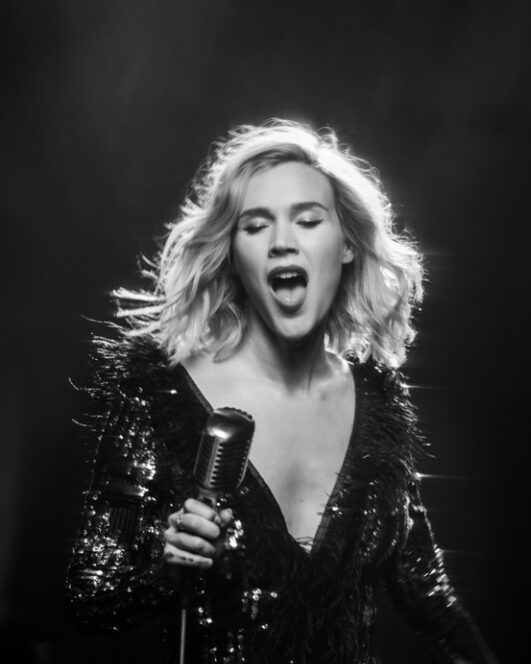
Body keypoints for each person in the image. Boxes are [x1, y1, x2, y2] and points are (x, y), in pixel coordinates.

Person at [66, 119, 498, 664]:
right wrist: (165, 558)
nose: (282, 242)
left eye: (309, 220)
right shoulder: (159, 395)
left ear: (347, 245)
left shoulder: (380, 402)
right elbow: (91, 594)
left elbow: (425, 588)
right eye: (255, 226)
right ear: (232, 253)